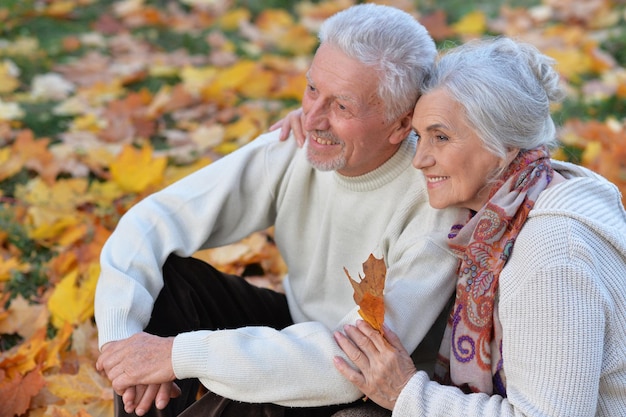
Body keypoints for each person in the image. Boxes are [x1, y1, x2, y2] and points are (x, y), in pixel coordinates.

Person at [94, 4, 462, 417]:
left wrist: (178, 354)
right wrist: (122, 345)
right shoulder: (299, 144)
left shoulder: (434, 203)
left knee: (244, 394)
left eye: (342, 107)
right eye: (311, 90)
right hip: (295, 325)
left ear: (401, 124)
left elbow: (352, 363)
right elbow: (152, 222)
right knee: (165, 281)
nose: (313, 117)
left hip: (363, 383)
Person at [328, 37, 626, 416]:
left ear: (501, 143)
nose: (419, 159)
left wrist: (406, 392)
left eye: (441, 137)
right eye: (420, 137)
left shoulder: (552, 254)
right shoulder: (508, 209)